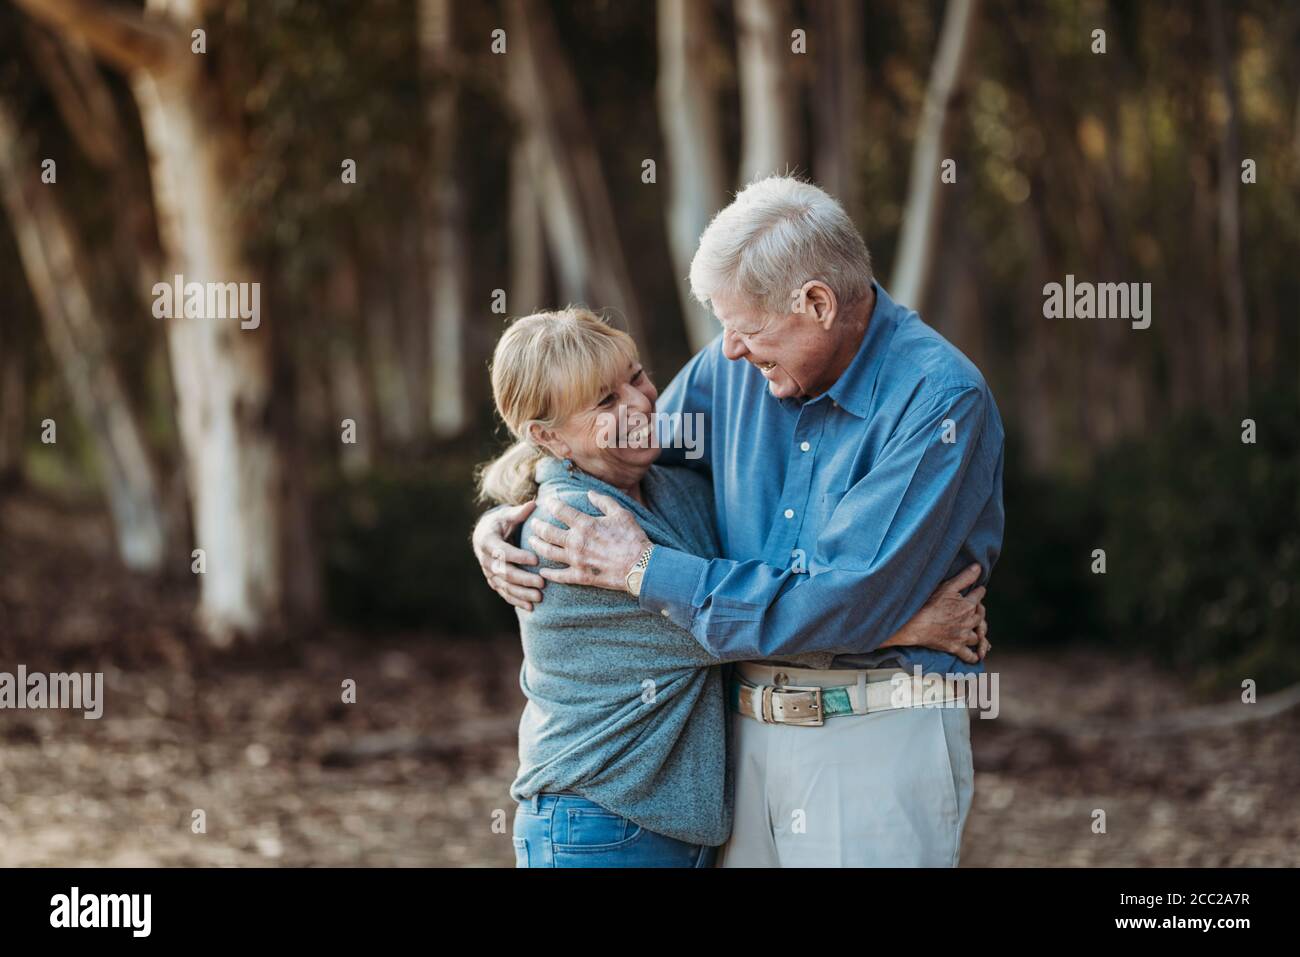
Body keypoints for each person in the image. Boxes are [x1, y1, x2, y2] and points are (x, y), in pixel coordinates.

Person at [475, 176, 1005, 867]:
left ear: (816, 303)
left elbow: (847, 595)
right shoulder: (732, 374)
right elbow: (606, 451)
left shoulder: (937, 401)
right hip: (738, 744)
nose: (725, 351)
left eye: (743, 328)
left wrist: (647, 569)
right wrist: (502, 523)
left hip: (868, 738)